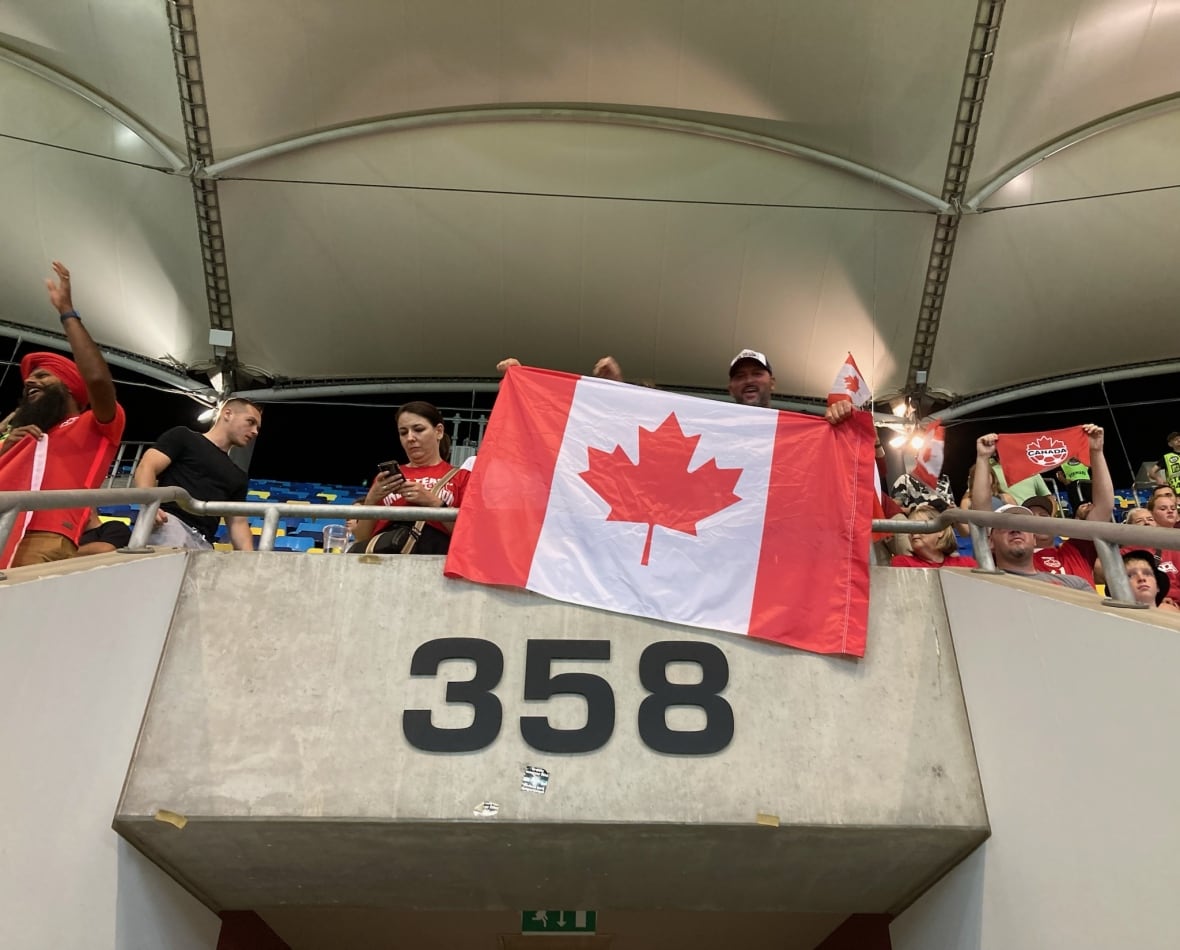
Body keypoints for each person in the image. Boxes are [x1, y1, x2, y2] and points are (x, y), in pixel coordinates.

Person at [0, 263, 125, 568]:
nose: (30, 381)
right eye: (30, 379)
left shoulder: (94, 425)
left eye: (43, 376)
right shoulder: (28, 436)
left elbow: (96, 380)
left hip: (41, 535)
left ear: (69, 386)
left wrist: (67, 313)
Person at [972, 432, 1098, 590]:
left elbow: (1049, 497)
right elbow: (981, 515)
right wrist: (983, 458)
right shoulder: (992, 568)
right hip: (1003, 510)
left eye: (1043, 516)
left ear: (1034, 539)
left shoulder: (1076, 583)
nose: (1016, 530)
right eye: (1008, 526)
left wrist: (1096, 452)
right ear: (990, 541)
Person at [132, 398, 262, 550]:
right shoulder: (184, 437)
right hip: (170, 525)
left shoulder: (239, 477)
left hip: (205, 543)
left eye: (258, 427)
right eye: (250, 422)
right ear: (228, 414)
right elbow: (147, 466)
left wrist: (251, 563)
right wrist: (149, 505)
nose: (255, 432)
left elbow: (238, 523)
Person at [351, 401, 470, 555]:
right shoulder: (386, 480)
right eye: (403, 432)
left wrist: (432, 502)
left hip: (434, 563)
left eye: (418, 429)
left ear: (438, 431)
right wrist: (371, 500)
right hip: (383, 561)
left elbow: (469, 536)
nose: (410, 438)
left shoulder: (462, 477)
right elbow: (361, 538)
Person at [890, 504, 978, 569]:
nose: (913, 532)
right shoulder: (902, 563)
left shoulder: (967, 564)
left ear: (940, 531)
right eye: (910, 528)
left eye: (920, 526)